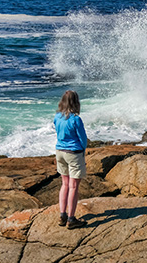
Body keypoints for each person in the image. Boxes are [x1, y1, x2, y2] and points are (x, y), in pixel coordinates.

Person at [54, 90, 88, 230]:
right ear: (76, 102)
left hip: (59, 152)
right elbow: (83, 139)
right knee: (73, 186)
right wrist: (83, 151)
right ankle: (71, 219)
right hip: (73, 153)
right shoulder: (76, 119)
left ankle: (62, 215)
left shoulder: (57, 117)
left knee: (65, 184)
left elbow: (58, 133)